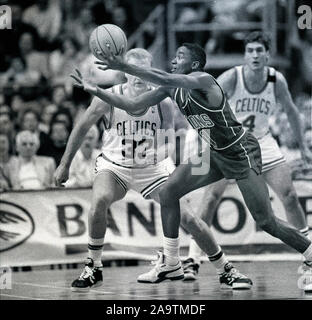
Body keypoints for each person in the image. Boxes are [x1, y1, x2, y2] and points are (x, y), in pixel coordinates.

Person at [83, 41, 312, 292]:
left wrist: (124, 65)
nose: (173, 59)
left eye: (179, 56)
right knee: (169, 191)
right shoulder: (171, 89)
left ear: (193, 64)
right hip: (213, 152)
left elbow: (159, 76)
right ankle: (172, 261)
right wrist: (96, 90)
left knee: (267, 221)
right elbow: (134, 105)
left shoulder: (204, 80)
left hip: (240, 151)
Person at [55, 48, 253, 292]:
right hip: (115, 165)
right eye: (134, 72)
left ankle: (226, 269)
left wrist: (159, 153)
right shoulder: (108, 97)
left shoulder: (163, 102)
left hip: (152, 168)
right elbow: (82, 127)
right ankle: (93, 266)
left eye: (143, 72)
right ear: (125, 74)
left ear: (149, 73)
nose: (138, 78)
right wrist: (64, 163)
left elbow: (169, 140)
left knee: (189, 218)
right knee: (100, 201)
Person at [183, 31, 312, 280]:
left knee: (289, 194)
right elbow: (202, 105)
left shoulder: (276, 80)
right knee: (211, 198)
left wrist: (304, 148)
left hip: (261, 141)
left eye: (259, 51)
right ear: (244, 55)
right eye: (250, 51)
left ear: (267, 55)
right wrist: (202, 142)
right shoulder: (232, 77)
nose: (254, 55)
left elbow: (293, 112)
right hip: (229, 142)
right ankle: (193, 258)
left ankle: (308, 255)